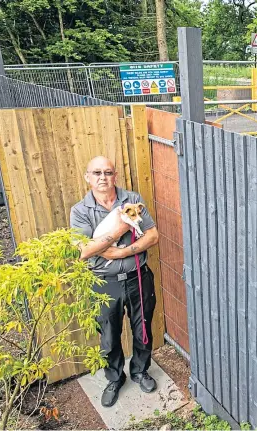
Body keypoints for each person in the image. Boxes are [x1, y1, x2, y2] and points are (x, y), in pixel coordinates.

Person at [70, 156, 160, 407]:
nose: (102, 177)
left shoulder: (132, 201)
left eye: (107, 172)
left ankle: (140, 371)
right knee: (109, 335)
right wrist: (119, 231)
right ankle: (114, 378)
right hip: (103, 282)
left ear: (115, 175)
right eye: (96, 172)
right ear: (87, 177)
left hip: (138, 277)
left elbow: (152, 235)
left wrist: (121, 251)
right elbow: (84, 250)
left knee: (142, 328)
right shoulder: (80, 211)